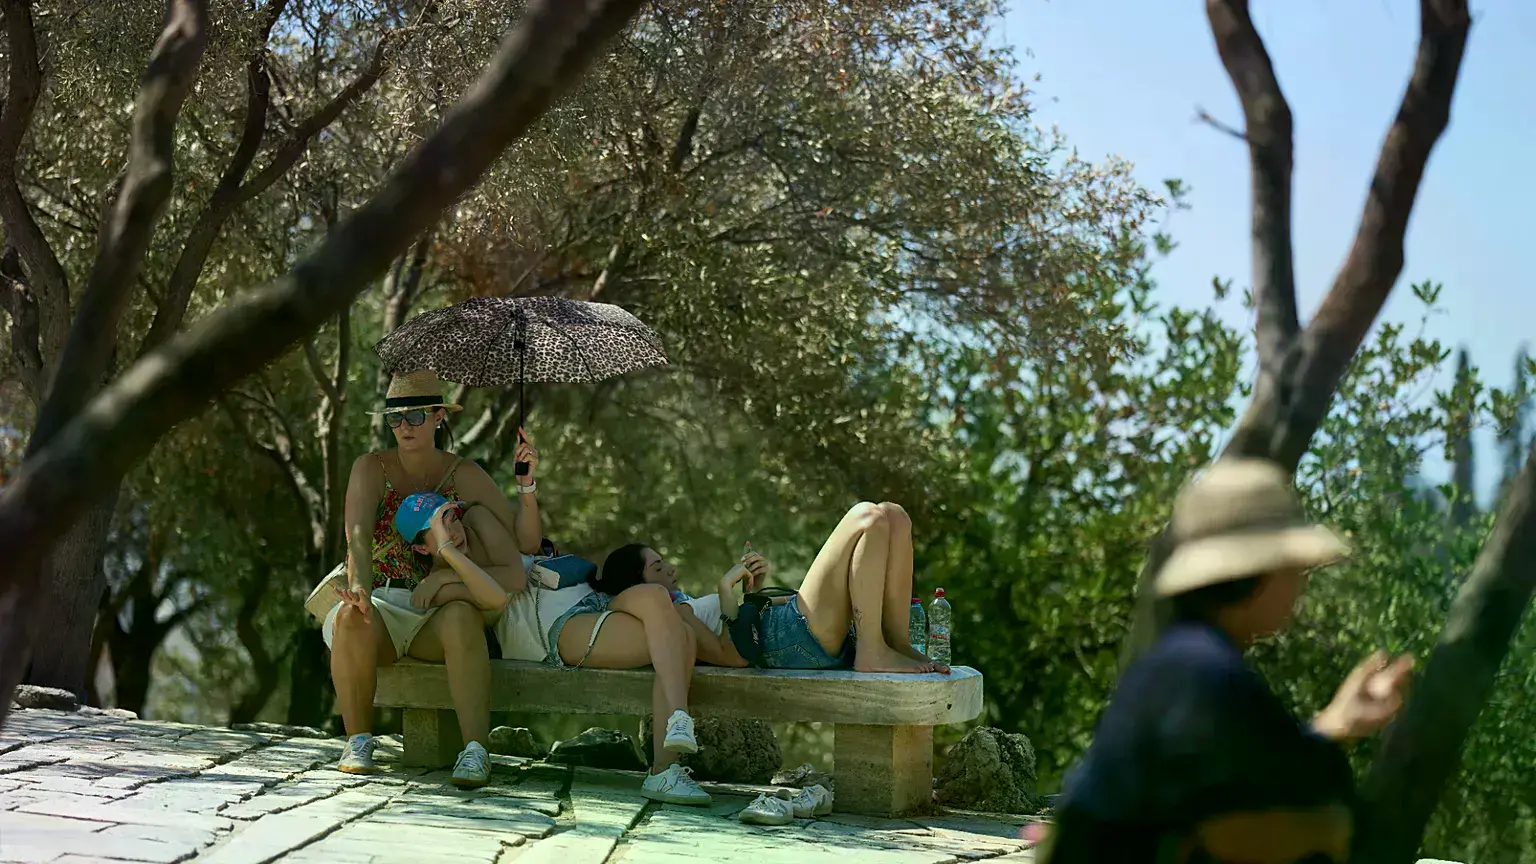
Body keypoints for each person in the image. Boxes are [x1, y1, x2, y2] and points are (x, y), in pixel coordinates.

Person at [1040, 458, 1415, 864]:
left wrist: (1337, 724)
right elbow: (1231, 829)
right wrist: (1324, 830)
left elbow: (1244, 767)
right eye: (1297, 567)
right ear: (1261, 571)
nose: (1303, 581)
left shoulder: (1184, 662)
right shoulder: (1204, 675)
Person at [325, 369, 542, 786]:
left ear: (440, 416)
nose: (403, 427)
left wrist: (526, 485)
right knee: (349, 618)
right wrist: (359, 589)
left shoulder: (465, 474)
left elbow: (524, 545)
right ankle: (358, 741)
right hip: (384, 602)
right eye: (394, 418)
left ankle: (476, 751)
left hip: (440, 612)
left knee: (462, 617)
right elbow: (357, 535)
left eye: (415, 417)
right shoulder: (370, 467)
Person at [595, 501, 948, 674]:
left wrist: (754, 593)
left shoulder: (680, 606)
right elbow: (732, 657)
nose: (670, 567)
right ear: (638, 585)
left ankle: (899, 643)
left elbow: (739, 631)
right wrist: (724, 590)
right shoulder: (670, 612)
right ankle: (873, 651)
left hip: (791, 631)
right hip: (788, 638)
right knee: (868, 517)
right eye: (658, 567)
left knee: (894, 516)